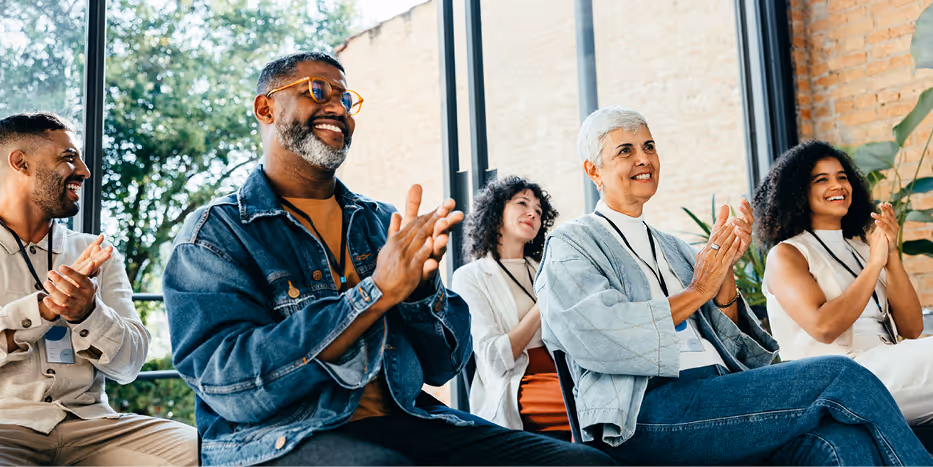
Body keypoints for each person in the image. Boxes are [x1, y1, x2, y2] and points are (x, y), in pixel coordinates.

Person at [162, 51, 615, 466]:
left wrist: (420, 292)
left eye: (345, 98)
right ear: (265, 109)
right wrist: (375, 294)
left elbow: (444, 365)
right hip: (272, 440)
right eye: (317, 91)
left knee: (587, 464)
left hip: (409, 421)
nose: (338, 108)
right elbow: (231, 383)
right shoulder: (216, 234)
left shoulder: (381, 222)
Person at [535, 106, 932, 465]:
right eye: (625, 150)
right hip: (647, 410)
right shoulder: (571, 243)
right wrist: (697, 291)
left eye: (649, 146)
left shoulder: (672, 246)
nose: (643, 158)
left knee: (841, 443)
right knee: (842, 375)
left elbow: (728, 335)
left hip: (717, 394)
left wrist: (724, 274)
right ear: (593, 171)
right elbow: (597, 333)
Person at [0, 112, 197, 466]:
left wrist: (89, 314)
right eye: (68, 158)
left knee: (199, 451)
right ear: (20, 163)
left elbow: (130, 364)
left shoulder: (97, 251)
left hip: (93, 427)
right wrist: (42, 311)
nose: (84, 172)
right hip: (6, 429)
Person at [754, 140, 932, 426]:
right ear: (798, 192)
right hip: (839, 380)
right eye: (821, 179)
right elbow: (823, 327)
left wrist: (892, 255)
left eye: (842, 177)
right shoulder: (787, 254)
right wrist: (875, 264)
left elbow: (911, 328)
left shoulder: (861, 248)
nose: (837, 185)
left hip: (887, 365)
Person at [451, 176, 569, 440]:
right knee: (594, 406)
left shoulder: (543, 270)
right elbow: (494, 359)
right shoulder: (470, 277)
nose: (533, 213)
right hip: (521, 383)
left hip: (564, 371)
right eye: (522, 203)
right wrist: (542, 306)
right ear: (496, 212)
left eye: (539, 211)